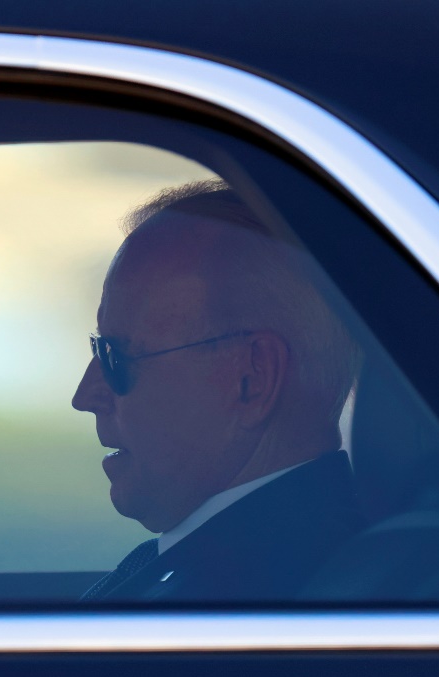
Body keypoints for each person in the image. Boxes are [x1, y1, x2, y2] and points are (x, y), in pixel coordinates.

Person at [71, 180, 364, 601]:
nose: (85, 396)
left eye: (116, 355)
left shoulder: (231, 604)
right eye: (97, 347)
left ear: (252, 378)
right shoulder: (298, 562)